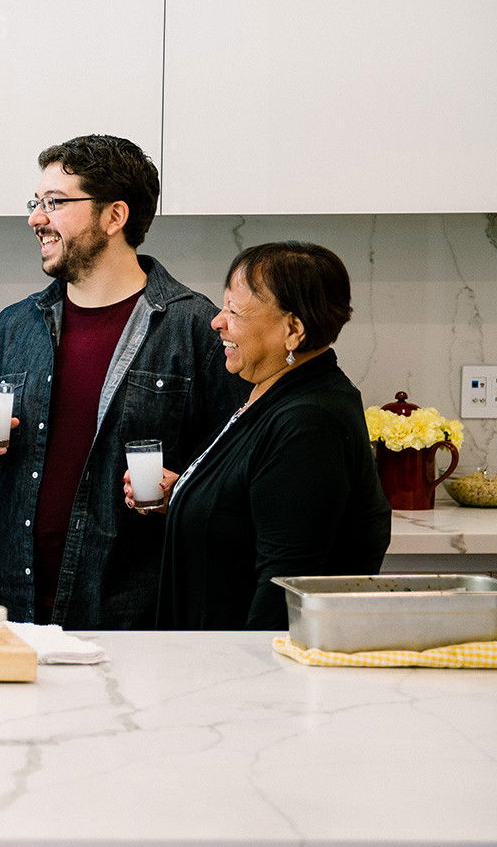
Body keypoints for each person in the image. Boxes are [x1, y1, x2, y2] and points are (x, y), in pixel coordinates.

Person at [0, 134, 243, 629]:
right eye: (36, 202)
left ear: (115, 216)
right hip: (14, 602)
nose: (35, 218)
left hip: (132, 609)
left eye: (55, 203)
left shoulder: (195, 327)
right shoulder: (14, 324)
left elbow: (239, 464)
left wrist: (188, 489)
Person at [149, 242, 390, 630]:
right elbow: (250, 509)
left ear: (292, 330)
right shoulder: (268, 393)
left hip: (243, 672)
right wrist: (189, 492)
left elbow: (284, 585)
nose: (217, 322)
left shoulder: (308, 421)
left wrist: (253, 685)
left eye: (235, 312)